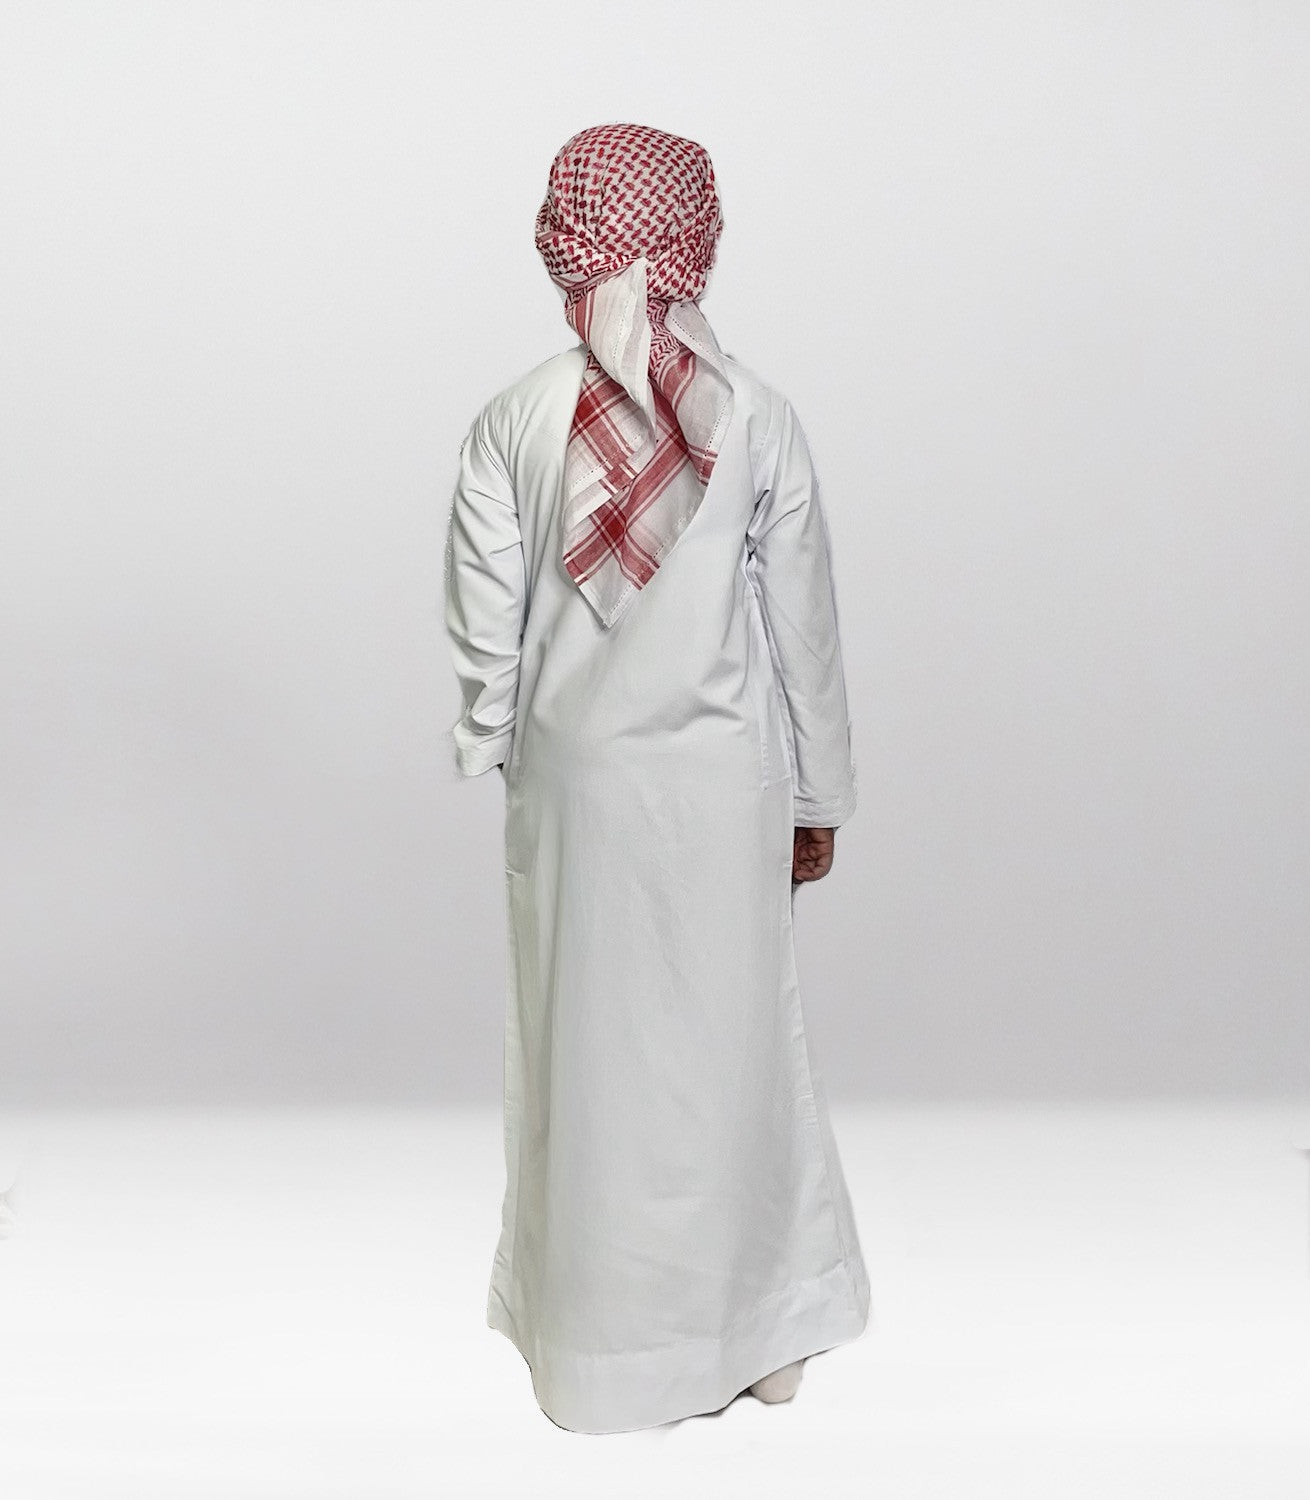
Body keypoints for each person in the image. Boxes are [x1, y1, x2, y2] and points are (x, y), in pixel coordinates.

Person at [443, 121, 871, 1434]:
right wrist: (818, 794)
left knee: (589, 1055)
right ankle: (762, 1333)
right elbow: (802, 627)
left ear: (560, 240)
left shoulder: (514, 419)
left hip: (577, 799)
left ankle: (598, 1355)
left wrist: (500, 743)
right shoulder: (759, 418)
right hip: (723, 786)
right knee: (730, 1051)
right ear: (698, 238)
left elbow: (485, 636)